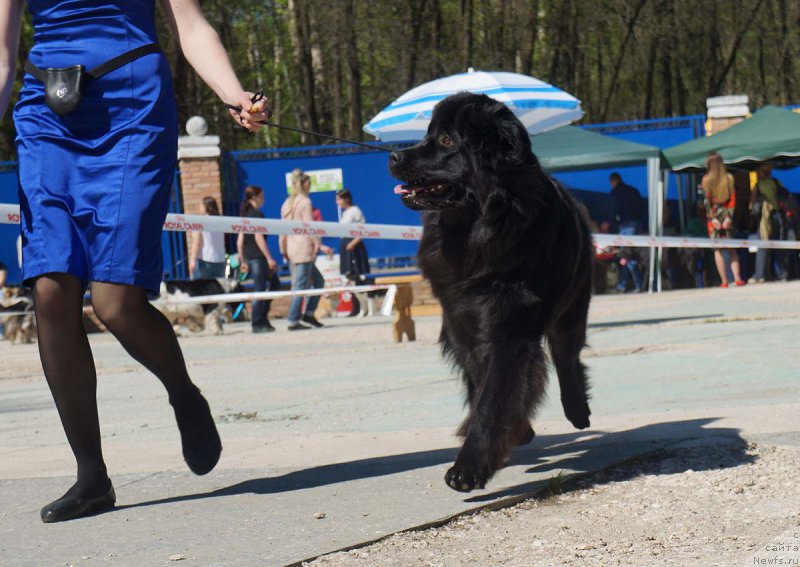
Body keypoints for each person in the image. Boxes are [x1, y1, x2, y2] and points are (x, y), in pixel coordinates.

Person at [0, 0, 269, 522]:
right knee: (50, 290)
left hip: (132, 106)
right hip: (46, 110)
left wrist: (234, 94)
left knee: (115, 302)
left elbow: (190, 26)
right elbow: (3, 53)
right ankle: (91, 476)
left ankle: (183, 394)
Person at [280, 169, 325, 330]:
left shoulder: (287, 202)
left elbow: (282, 229)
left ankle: (309, 314)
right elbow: (309, 227)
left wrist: (283, 249)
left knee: (317, 281)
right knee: (300, 286)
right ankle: (293, 319)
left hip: (292, 247)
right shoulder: (305, 202)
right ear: (305, 184)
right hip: (303, 248)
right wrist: (318, 244)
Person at [236, 186, 278, 333]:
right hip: (258, 257)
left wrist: (243, 260)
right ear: (255, 197)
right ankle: (257, 322)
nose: (264, 199)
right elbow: (258, 237)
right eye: (262, 196)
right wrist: (269, 258)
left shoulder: (245, 214)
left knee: (271, 285)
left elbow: (239, 240)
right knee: (262, 289)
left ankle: (263, 319)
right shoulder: (256, 214)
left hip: (250, 257)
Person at [702, 152, 745, 288]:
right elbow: (733, 200)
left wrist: (713, 219)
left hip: (714, 217)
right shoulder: (729, 178)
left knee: (718, 250)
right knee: (732, 249)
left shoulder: (706, 180)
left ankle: (724, 281)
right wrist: (728, 218)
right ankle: (737, 278)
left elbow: (706, 202)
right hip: (726, 215)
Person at [336, 189, 374, 315]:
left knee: (359, 277)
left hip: (354, 248)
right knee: (349, 279)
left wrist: (353, 243)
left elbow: (363, 229)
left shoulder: (355, 211)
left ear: (346, 199)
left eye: (339, 199)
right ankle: (356, 308)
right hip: (346, 248)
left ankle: (367, 308)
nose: (337, 202)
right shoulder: (344, 213)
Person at [750, 163, 787, 283]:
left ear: (760, 172)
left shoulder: (758, 185)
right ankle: (782, 274)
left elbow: (752, 204)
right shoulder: (776, 182)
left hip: (764, 219)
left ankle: (760, 275)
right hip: (778, 216)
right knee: (778, 245)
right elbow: (785, 197)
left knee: (763, 245)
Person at [609, 172, 645, 292]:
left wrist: (610, 223)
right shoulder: (634, 191)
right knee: (629, 255)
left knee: (627, 256)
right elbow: (642, 208)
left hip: (626, 227)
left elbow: (615, 211)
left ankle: (639, 284)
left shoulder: (615, 193)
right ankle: (622, 284)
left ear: (613, 181)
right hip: (637, 225)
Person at [189, 197, 227, 279]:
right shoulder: (222, 220)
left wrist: (192, 260)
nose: (199, 207)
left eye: (201, 205)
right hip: (220, 259)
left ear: (206, 207)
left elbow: (196, 242)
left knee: (202, 286)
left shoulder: (200, 221)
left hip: (205, 259)